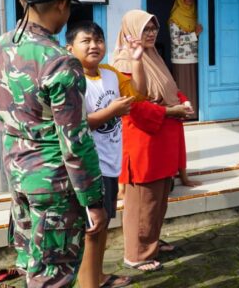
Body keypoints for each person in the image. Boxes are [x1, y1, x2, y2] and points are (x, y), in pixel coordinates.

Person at [0, 0, 106, 287]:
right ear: (63, 5)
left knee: (30, 264)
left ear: (24, 0)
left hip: (18, 175)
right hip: (54, 185)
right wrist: (93, 201)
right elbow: (74, 140)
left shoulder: (1, 46)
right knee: (53, 275)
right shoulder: (60, 61)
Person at [112, 9, 197, 272]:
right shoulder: (123, 64)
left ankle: (151, 242)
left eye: (153, 28)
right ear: (130, 32)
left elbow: (169, 86)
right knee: (142, 202)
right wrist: (170, 111)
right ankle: (136, 254)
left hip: (162, 138)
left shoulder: (153, 56)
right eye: (144, 29)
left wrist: (183, 100)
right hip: (143, 141)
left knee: (159, 198)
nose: (150, 33)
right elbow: (133, 107)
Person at [66, 21, 145, 288]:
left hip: (110, 164)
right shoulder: (71, 79)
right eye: (86, 41)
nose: (94, 45)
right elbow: (74, 124)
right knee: (92, 229)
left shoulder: (110, 73)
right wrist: (111, 111)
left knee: (103, 226)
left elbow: (139, 95)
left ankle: (97, 277)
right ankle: (89, 284)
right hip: (88, 167)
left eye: (98, 40)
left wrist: (136, 61)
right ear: (70, 47)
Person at [169, 0, 202, 120]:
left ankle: (195, 115)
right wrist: (195, 34)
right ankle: (185, 115)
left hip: (196, 57)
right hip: (181, 59)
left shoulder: (196, 12)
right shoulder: (175, 16)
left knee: (194, 87)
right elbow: (175, 39)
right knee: (184, 88)